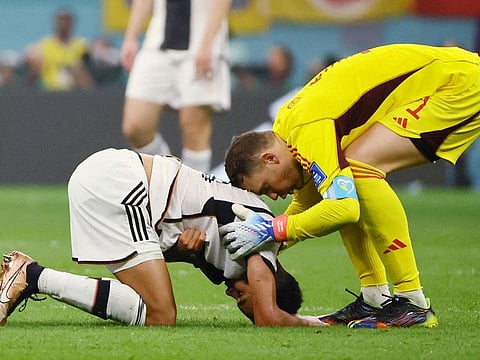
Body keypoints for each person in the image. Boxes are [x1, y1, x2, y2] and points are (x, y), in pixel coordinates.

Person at [221, 43, 480, 329]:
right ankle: (375, 298)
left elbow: (343, 209)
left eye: (266, 186)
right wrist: (269, 241)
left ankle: (413, 302)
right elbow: (310, 201)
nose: (274, 195)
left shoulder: (309, 127)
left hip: (458, 84)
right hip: (447, 77)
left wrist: (274, 230)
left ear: (269, 158)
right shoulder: (289, 130)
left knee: (359, 169)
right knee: (344, 175)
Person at [0, 149, 322, 327]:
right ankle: (31, 276)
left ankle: (29, 276)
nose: (233, 298)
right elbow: (269, 317)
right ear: (271, 283)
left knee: (147, 308)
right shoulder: (262, 237)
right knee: (161, 315)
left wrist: (180, 251)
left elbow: (161, 243)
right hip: (124, 182)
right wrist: (319, 323)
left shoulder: (223, 267)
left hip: (111, 176)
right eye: (244, 301)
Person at [120, 0, 232, 173]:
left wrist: (207, 43)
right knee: (135, 125)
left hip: (202, 41)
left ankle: (193, 195)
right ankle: (168, 175)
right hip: (157, 42)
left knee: (193, 126)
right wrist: (131, 36)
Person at [24, 9, 92, 91]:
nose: (63, 24)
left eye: (67, 21)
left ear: (72, 23)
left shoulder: (82, 45)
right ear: (55, 23)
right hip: (49, 91)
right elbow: (33, 73)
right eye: (60, 20)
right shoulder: (44, 45)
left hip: (75, 91)